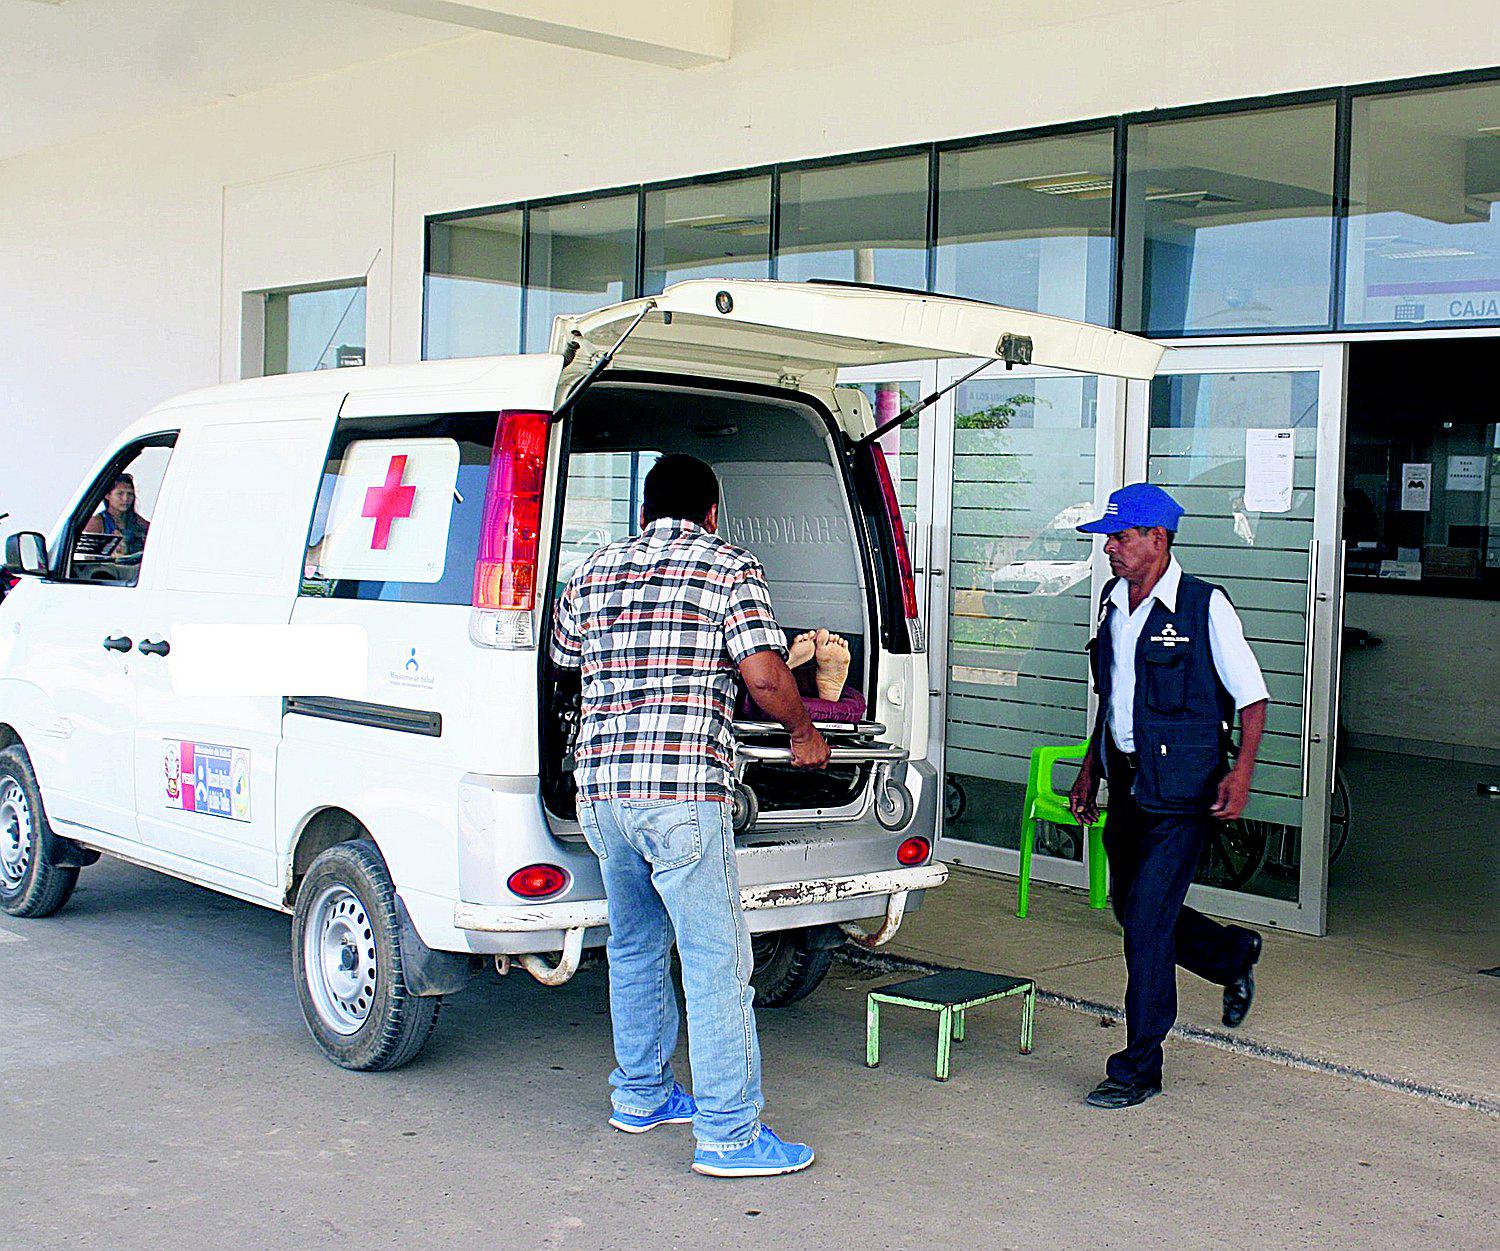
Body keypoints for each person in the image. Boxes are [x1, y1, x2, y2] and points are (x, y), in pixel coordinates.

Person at [550, 453, 830, 1178]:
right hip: (680, 791)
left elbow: (563, 658)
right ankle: (730, 1134)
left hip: (603, 791)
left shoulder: (594, 568)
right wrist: (804, 731)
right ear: (712, 513)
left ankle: (641, 1094)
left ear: (643, 512)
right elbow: (763, 675)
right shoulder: (729, 566)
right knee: (715, 963)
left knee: (636, 946)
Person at [1068, 482, 1270, 1110]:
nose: (1109, 548)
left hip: (1184, 793)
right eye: (1108, 538)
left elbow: (1253, 698)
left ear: (1157, 538)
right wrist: (1091, 768)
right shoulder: (1113, 604)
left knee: (1147, 925)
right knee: (1132, 909)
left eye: (1120, 537)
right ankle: (1230, 955)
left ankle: (1139, 1067)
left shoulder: (1204, 607)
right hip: (1129, 785)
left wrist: (1241, 773)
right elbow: (1114, 699)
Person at [82, 472, 149, 556]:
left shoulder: (139, 522)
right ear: (107, 495)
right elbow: (88, 557)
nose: (125, 499)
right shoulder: (97, 523)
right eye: (120, 493)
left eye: (129, 494)